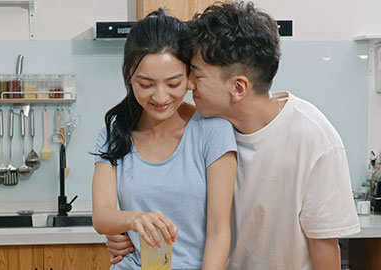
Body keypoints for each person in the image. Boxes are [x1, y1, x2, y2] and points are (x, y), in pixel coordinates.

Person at [106, 2, 360, 270]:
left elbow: (325, 250)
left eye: (197, 75)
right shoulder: (204, 127)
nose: (188, 85)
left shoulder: (313, 138)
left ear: (238, 87)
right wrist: (124, 231)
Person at [92, 8, 237, 270]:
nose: (160, 97)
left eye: (173, 84)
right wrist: (133, 219)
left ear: (190, 78)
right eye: (146, 84)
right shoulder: (115, 133)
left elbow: (219, 232)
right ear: (129, 78)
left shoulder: (213, 131)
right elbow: (101, 216)